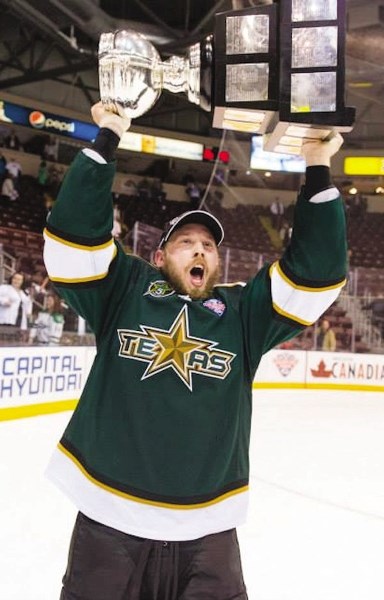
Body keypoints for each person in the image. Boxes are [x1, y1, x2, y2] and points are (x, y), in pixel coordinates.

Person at [43, 103, 347, 600]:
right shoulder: (126, 286)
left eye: (208, 244)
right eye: (186, 242)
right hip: (108, 520)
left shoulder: (242, 312)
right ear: (160, 256)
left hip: (209, 531)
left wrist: (316, 165)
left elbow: (314, 279)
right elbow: (72, 244)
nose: (201, 250)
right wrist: (109, 134)